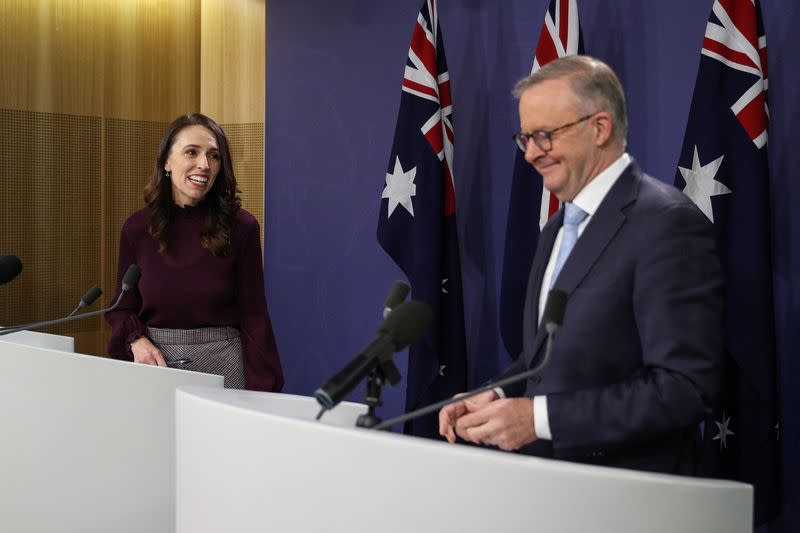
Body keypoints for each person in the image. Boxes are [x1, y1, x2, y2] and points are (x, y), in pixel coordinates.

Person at [439, 56, 723, 474]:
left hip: (627, 496)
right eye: (525, 138)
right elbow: (545, 362)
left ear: (600, 128)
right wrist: (496, 397)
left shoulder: (667, 224)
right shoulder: (558, 227)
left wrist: (536, 420)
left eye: (545, 136)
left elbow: (684, 388)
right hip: (552, 489)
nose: (532, 154)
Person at [106, 113, 283, 392]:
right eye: (192, 152)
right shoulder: (137, 229)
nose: (204, 164)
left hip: (224, 367)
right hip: (154, 367)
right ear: (167, 161)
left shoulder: (243, 227)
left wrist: (262, 389)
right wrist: (136, 340)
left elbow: (254, 315)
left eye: (214, 156)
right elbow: (121, 307)